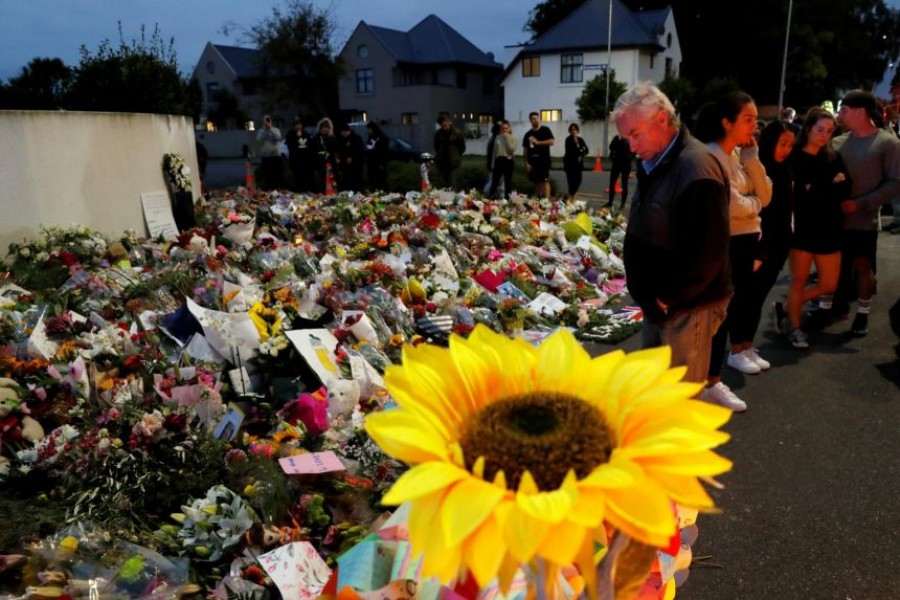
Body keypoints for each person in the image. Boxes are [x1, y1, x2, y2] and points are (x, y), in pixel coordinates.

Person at [612, 82, 732, 400]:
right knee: (655, 397)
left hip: (685, 308)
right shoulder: (658, 160)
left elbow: (709, 250)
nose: (632, 147)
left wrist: (670, 297)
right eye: (627, 138)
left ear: (663, 120)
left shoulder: (696, 167)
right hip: (662, 305)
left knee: (678, 404)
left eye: (636, 134)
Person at [695, 91, 772, 411]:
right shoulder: (713, 157)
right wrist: (755, 205)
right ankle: (709, 381)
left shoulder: (741, 156)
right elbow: (733, 206)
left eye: (756, 119)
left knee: (730, 308)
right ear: (727, 122)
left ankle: (713, 376)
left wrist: (753, 162)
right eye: (748, 119)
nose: (755, 126)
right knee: (716, 314)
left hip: (744, 239)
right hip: (723, 242)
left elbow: (766, 193)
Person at [773, 108, 850, 349]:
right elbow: (803, 197)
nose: (825, 135)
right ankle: (795, 328)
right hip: (802, 229)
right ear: (808, 129)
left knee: (829, 285)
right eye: (820, 129)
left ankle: (787, 307)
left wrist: (819, 188)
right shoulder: (794, 158)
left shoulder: (833, 157)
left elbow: (846, 188)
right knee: (798, 280)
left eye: (829, 131)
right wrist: (829, 186)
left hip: (830, 228)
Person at [830, 90, 900, 336]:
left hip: (864, 220)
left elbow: (895, 182)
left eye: (844, 110)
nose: (839, 115)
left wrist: (862, 204)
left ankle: (862, 314)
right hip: (835, 219)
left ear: (860, 112)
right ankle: (835, 307)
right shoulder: (837, 142)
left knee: (863, 267)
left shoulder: (888, 143)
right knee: (835, 267)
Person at [756, 121, 799, 342]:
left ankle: (744, 345)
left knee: (759, 296)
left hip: (780, 243)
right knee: (748, 298)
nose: (786, 150)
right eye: (782, 143)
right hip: (759, 245)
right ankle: (738, 347)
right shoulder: (757, 167)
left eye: (791, 145)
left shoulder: (785, 169)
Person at [523, 112, 555, 199]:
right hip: (533, 161)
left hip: (544, 160)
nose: (536, 120)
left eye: (537, 118)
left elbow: (552, 141)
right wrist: (526, 162)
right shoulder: (528, 134)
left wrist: (538, 142)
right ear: (530, 120)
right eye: (533, 119)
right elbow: (525, 149)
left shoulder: (545, 130)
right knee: (538, 181)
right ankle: (537, 201)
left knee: (545, 180)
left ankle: (547, 201)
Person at [433, 114, 466, 190]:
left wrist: (456, 156)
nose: (445, 127)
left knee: (452, 183)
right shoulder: (438, 134)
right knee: (443, 185)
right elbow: (436, 147)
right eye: (442, 125)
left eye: (445, 124)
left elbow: (462, 148)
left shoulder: (457, 133)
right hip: (441, 163)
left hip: (453, 163)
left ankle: (452, 200)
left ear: (449, 122)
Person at [488, 120, 517, 200]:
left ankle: (507, 200)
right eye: (503, 128)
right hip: (498, 161)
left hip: (508, 161)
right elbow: (495, 151)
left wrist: (506, 138)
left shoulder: (513, 138)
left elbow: (511, 150)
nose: (505, 130)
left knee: (508, 183)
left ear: (509, 128)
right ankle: (491, 199)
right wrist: (492, 164)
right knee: (494, 182)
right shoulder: (497, 137)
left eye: (506, 128)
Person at [285, 117, 314, 193]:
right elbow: (290, 147)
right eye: (296, 125)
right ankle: (299, 191)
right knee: (298, 177)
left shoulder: (306, 134)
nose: (298, 126)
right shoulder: (290, 134)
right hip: (295, 160)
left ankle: (308, 190)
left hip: (306, 160)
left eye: (299, 124)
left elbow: (310, 146)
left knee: (307, 177)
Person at [256, 115, 284, 190]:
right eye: (265, 121)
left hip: (276, 156)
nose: (267, 122)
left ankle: (278, 190)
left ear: (271, 121)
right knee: (267, 176)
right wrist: (265, 130)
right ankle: (268, 191)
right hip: (266, 157)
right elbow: (259, 140)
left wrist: (270, 128)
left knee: (277, 176)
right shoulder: (261, 131)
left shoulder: (275, 130)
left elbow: (278, 137)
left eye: (268, 120)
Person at [334, 123, 365, 192]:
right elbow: (339, 151)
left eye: (345, 133)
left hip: (356, 166)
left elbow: (360, 151)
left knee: (356, 182)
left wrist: (352, 157)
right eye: (342, 133)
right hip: (344, 166)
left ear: (349, 131)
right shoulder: (340, 139)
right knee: (346, 183)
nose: (343, 135)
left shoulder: (356, 138)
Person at [309, 117, 336, 193]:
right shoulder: (316, 138)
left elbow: (334, 149)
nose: (325, 129)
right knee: (322, 181)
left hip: (331, 162)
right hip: (320, 163)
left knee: (332, 180)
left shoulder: (332, 138)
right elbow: (313, 151)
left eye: (327, 128)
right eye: (323, 128)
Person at [607, 134, 634, 208]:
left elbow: (634, 150)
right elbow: (611, 147)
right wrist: (618, 139)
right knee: (612, 182)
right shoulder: (617, 137)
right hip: (616, 163)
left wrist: (630, 157)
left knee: (624, 183)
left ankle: (622, 203)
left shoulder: (630, 138)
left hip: (626, 164)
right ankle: (610, 202)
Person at [563, 123, 590, 197]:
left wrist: (581, 152)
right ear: (570, 131)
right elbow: (571, 151)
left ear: (577, 131)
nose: (574, 131)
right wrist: (580, 150)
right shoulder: (568, 140)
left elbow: (586, 150)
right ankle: (570, 196)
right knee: (571, 181)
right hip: (570, 163)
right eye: (572, 130)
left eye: (575, 130)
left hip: (578, 163)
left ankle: (570, 195)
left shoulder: (580, 139)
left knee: (578, 180)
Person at [365, 121, 389, 192]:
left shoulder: (381, 137)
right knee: (372, 182)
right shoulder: (370, 137)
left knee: (381, 182)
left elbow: (383, 152)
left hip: (379, 164)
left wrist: (382, 164)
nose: (368, 131)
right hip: (370, 164)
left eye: (369, 129)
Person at [483, 122, 502, 196]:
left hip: (491, 164)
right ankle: (487, 193)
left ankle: (490, 194)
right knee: (492, 182)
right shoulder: (496, 140)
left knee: (492, 181)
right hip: (494, 165)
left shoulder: (492, 139)